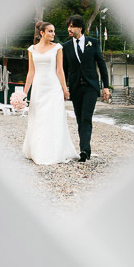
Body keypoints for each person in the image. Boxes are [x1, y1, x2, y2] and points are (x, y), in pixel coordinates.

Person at [22, 22, 79, 165]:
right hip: (38, 88)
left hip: (53, 88)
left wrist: (65, 89)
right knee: (38, 118)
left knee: (53, 118)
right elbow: (31, 72)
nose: (53, 34)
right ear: (42, 33)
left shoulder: (58, 48)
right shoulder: (32, 49)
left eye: (54, 31)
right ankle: (37, 150)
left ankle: (53, 151)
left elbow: (60, 71)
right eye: (50, 31)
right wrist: (24, 93)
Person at [62, 15, 110, 162]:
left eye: (72, 26)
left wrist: (106, 87)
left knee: (86, 118)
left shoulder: (93, 43)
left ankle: (84, 150)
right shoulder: (65, 46)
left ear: (80, 28)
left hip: (91, 86)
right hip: (75, 88)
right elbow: (63, 69)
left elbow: (101, 65)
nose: (69, 29)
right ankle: (84, 149)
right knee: (79, 119)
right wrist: (64, 87)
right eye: (68, 26)